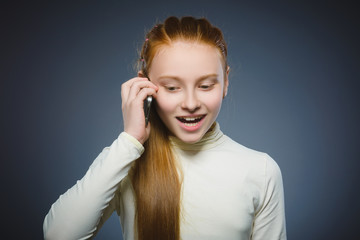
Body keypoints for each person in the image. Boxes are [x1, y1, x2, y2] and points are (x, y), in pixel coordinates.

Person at [43, 16, 286, 240]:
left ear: (225, 82)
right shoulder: (124, 160)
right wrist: (129, 140)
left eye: (205, 85)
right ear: (144, 86)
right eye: (172, 87)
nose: (191, 104)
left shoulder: (261, 172)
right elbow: (58, 235)